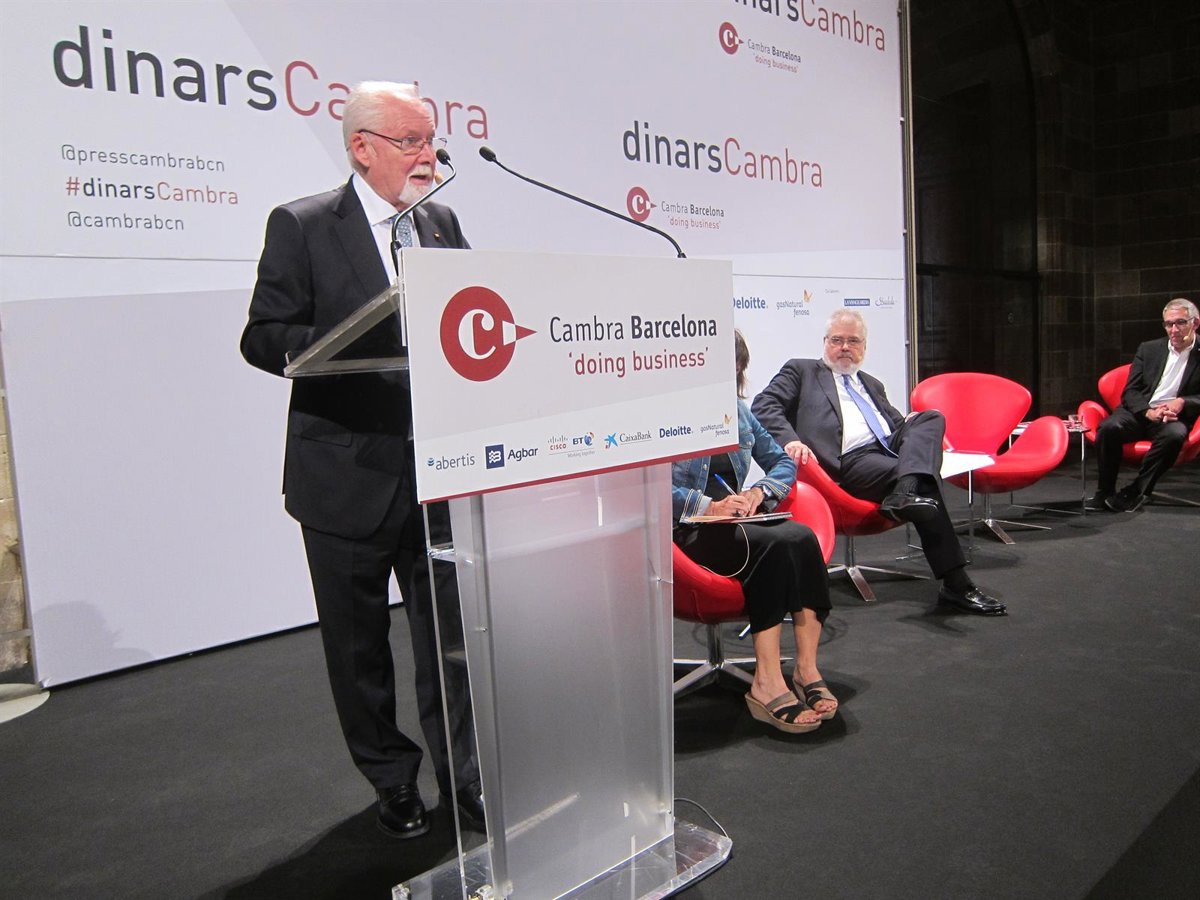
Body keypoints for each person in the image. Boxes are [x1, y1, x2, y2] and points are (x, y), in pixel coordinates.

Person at [240, 81, 482, 839]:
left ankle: (466, 779)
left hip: (438, 473)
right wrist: (347, 337)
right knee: (359, 650)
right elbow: (262, 334)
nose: (428, 155)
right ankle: (392, 777)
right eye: (411, 141)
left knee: (451, 645)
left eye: (431, 140)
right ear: (362, 148)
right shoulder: (304, 224)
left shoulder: (441, 222)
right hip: (345, 476)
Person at [751, 309, 1006, 617]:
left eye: (853, 341)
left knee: (930, 417)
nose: (845, 347)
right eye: (837, 340)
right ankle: (956, 583)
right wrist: (791, 440)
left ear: (864, 347)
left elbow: (897, 428)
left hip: (886, 453)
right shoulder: (802, 371)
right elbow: (764, 405)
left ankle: (905, 490)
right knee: (924, 483)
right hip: (848, 461)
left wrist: (916, 430)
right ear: (825, 342)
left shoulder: (872, 384)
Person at [673, 331, 836, 734]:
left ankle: (805, 669)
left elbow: (782, 461)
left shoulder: (738, 413)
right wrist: (708, 506)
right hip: (686, 532)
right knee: (774, 545)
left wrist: (758, 493)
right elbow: (643, 488)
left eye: (734, 367)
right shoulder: (664, 414)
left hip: (738, 524)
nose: (727, 375)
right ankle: (766, 681)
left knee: (801, 537)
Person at [1087, 298, 1200, 512]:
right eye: (1169, 324)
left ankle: (1136, 490)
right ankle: (1104, 492)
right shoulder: (1149, 349)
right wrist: (1147, 412)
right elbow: (1130, 390)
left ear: (1195, 323)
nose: (1174, 330)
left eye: (1180, 322)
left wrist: (1183, 402)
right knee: (1109, 427)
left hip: (1173, 418)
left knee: (1174, 436)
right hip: (1141, 412)